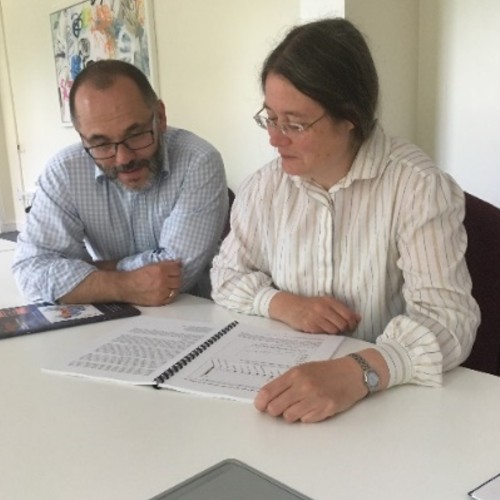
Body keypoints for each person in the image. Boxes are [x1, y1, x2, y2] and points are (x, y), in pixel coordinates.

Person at [210, 18, 480, 423]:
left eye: (295, 124)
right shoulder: (266, 186)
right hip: (288, 387)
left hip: (389, 406)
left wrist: (359, 371)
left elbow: (449, 321)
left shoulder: (416, 187)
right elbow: (226, 276)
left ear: (350, 116)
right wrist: (282, 303)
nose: (274, 138)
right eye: (270, 117)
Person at [13, 60, 228, 306]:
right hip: (107, 317)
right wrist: (124, 285)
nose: (124, 158)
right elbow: (30, 271)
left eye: (135, 135)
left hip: (191, 311)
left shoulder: (198, 160)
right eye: (102, 143)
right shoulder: (64, 171)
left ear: (160, 117)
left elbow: (178, 275)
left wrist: (89, 272)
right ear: (82, 138)